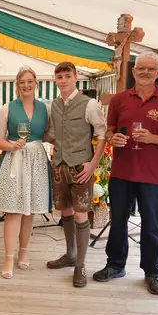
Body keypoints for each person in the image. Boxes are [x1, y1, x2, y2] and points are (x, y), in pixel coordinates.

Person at [93, 52, 158, 295]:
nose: (145, 72)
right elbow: (109, 131)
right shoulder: (119, 100)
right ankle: (115, 265)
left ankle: (152, 272)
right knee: (118, 222)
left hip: (152, 175)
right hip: (121, 172)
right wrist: (113, 138)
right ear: (133, 72)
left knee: (151, 225)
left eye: (150, 69)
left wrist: (153, 138)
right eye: (141, 68)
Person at [45, 62, 107, 287]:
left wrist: (93, 164)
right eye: (59, 77)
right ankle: (70, 254)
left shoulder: (89, 104)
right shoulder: (53, 105)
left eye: (67, 76)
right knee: (65, 212)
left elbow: (102, 135)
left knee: (81, 215)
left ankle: (80, 265)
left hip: (82, 168)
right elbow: (52, 134)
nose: (63, 80)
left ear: (76, 77)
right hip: (60, 166)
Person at [0, 66, 51, 279]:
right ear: (17, 85)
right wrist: (11, 146)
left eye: (29, 81)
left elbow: (48, 134)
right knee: (13, 211)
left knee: (29, 212)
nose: (26, 85)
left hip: (36, 160)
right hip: (14, 160)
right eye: (22, 82)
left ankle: (23, 253)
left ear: (36, 83)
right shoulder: (7, 108)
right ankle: (9, 257)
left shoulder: (45, 108)